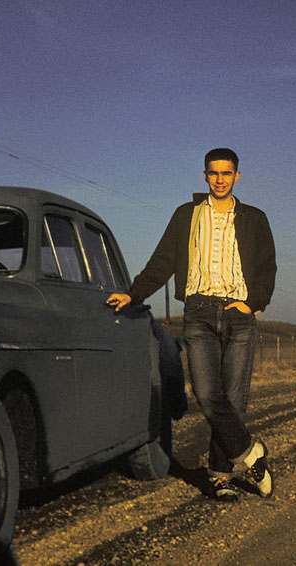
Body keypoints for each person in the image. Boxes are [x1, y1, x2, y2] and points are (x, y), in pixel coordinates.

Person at [107, 148, 276, 502]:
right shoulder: (187, 215)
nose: (219, 179)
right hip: (198, 312)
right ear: (204, 176)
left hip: (239, 315)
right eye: (213, 173)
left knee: (233, 400)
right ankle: (250, 454)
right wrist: (134, 294)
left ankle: (219, 475)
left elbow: (266, 266)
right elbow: (163, 260)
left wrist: (252, 304)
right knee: (206, 394)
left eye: (226, 173)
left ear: (237, 176)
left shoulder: (254, 218)